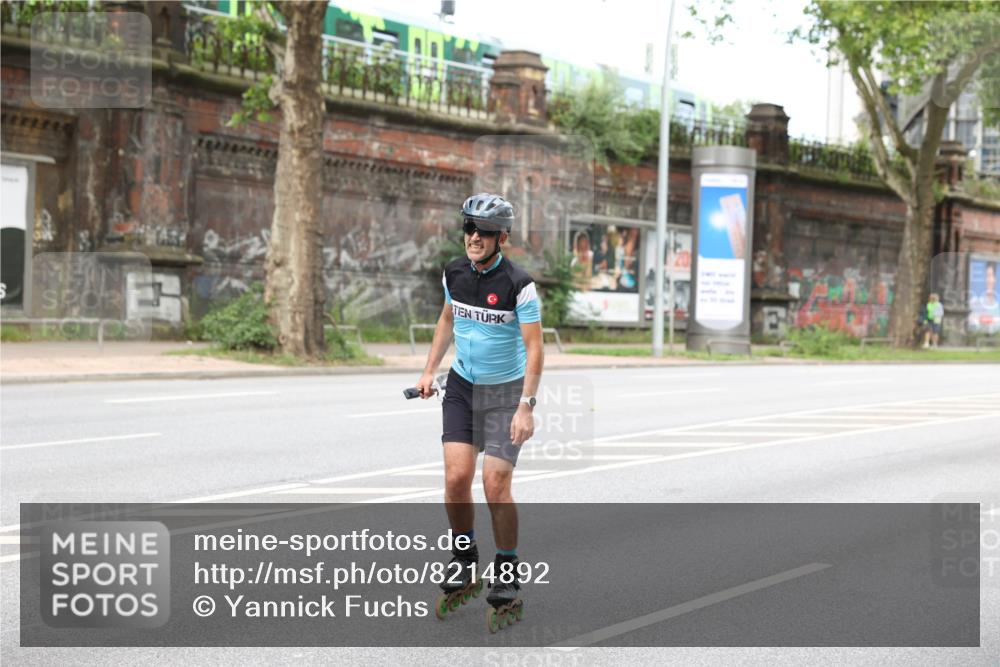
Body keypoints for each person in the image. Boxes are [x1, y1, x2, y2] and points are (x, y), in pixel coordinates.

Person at [416, 193, 544, 619]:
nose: (474, 237)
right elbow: (447, 319)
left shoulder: (519, 285)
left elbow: (535, 347)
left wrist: (526, 406)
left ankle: (506, 569)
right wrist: (428, 371)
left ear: (501, 237)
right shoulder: (454, 272)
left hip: (506, 393)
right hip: (462, 387)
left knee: (495, 484)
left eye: (484, 231)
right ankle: (464, 557)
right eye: (469, 228)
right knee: (456, 479)